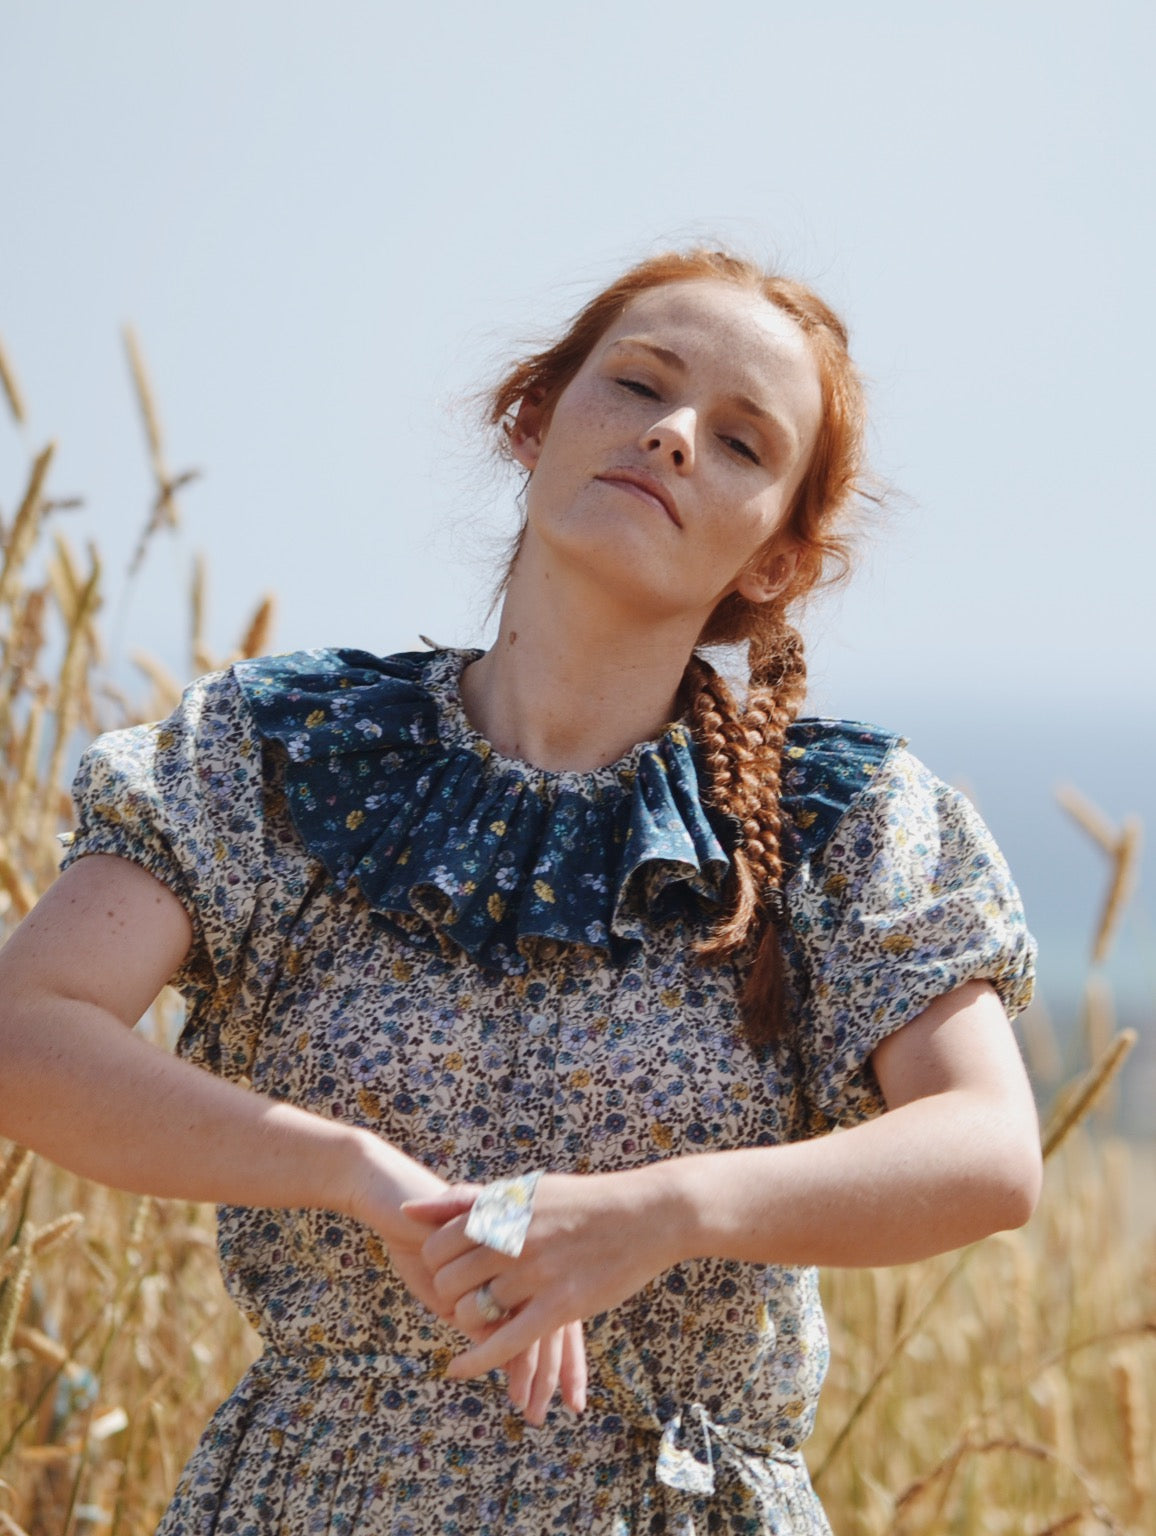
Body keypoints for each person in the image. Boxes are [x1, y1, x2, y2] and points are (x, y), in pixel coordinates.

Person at [0, 247, 1042, 1535]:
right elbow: (26, 1035)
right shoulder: (285, 748)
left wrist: (655, 1215)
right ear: (534, 419)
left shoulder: (840, 817)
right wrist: (351, 1173)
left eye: (737, 442)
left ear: (774, 560)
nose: (669, 437)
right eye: (638, 386)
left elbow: (991, 1150)